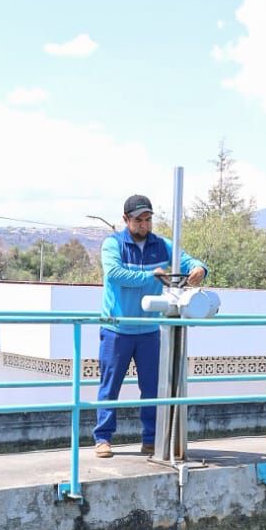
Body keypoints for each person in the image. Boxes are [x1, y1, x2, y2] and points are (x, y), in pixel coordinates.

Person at [94, 194, 207, 457]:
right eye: (138, 220)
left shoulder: (161, 245)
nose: (144, 225)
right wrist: (150, 276)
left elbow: (188, 260)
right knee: (110, 386)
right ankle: (103, 438)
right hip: (117, 328)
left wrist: (200, 269)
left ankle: (150, 439)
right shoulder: (113, 245)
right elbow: (115, 274)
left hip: (148, 331)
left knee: (152, 388)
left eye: (148, 220)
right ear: (126, 220)